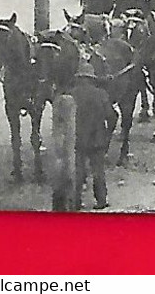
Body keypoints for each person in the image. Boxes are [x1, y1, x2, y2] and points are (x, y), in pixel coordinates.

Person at [64, 67, 117, 211]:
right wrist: (107, 135)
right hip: (97, 139)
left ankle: (76, 202)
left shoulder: (70, 95)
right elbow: (112, 117)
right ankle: (101, 200)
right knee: (98, 171)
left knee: (78, 171)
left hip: (77, 140)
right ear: (92, 78)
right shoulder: (101, 94)